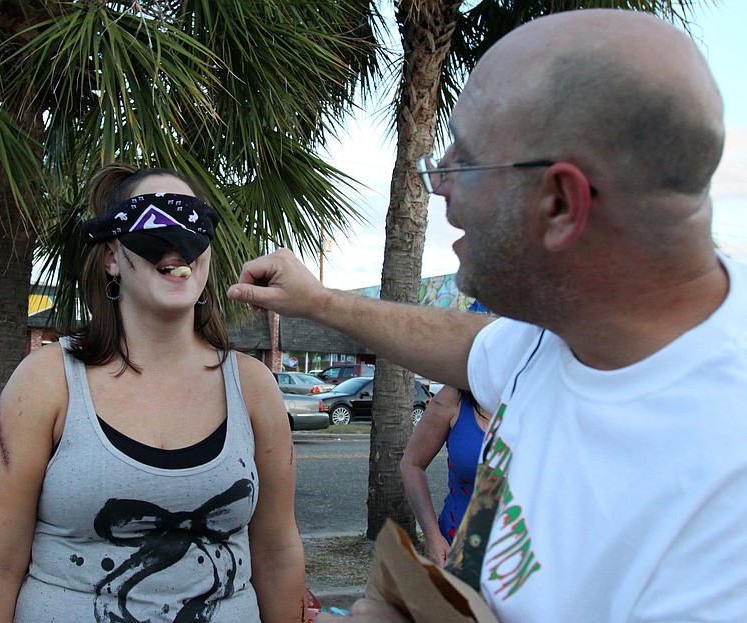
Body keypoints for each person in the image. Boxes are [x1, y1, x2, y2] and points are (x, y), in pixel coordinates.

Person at [226, 9, 747, 623]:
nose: (440, 184)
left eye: (464, 163)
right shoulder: (564, 332)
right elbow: (473, 345)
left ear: (559, 203)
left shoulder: (722, 499)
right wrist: (320, 303)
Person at [0, 164, 306, 623]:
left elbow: (278, 551)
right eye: (154, 223)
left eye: (191, 223)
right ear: (111, 257)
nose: (176, 243)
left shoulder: (253, 387)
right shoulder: (46, 382)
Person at [400, 385, 488, 566]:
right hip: (457, 556)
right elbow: (412, 464)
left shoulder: (544, 395)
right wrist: (432, 536)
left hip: (532, 559)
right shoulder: (454, 396)